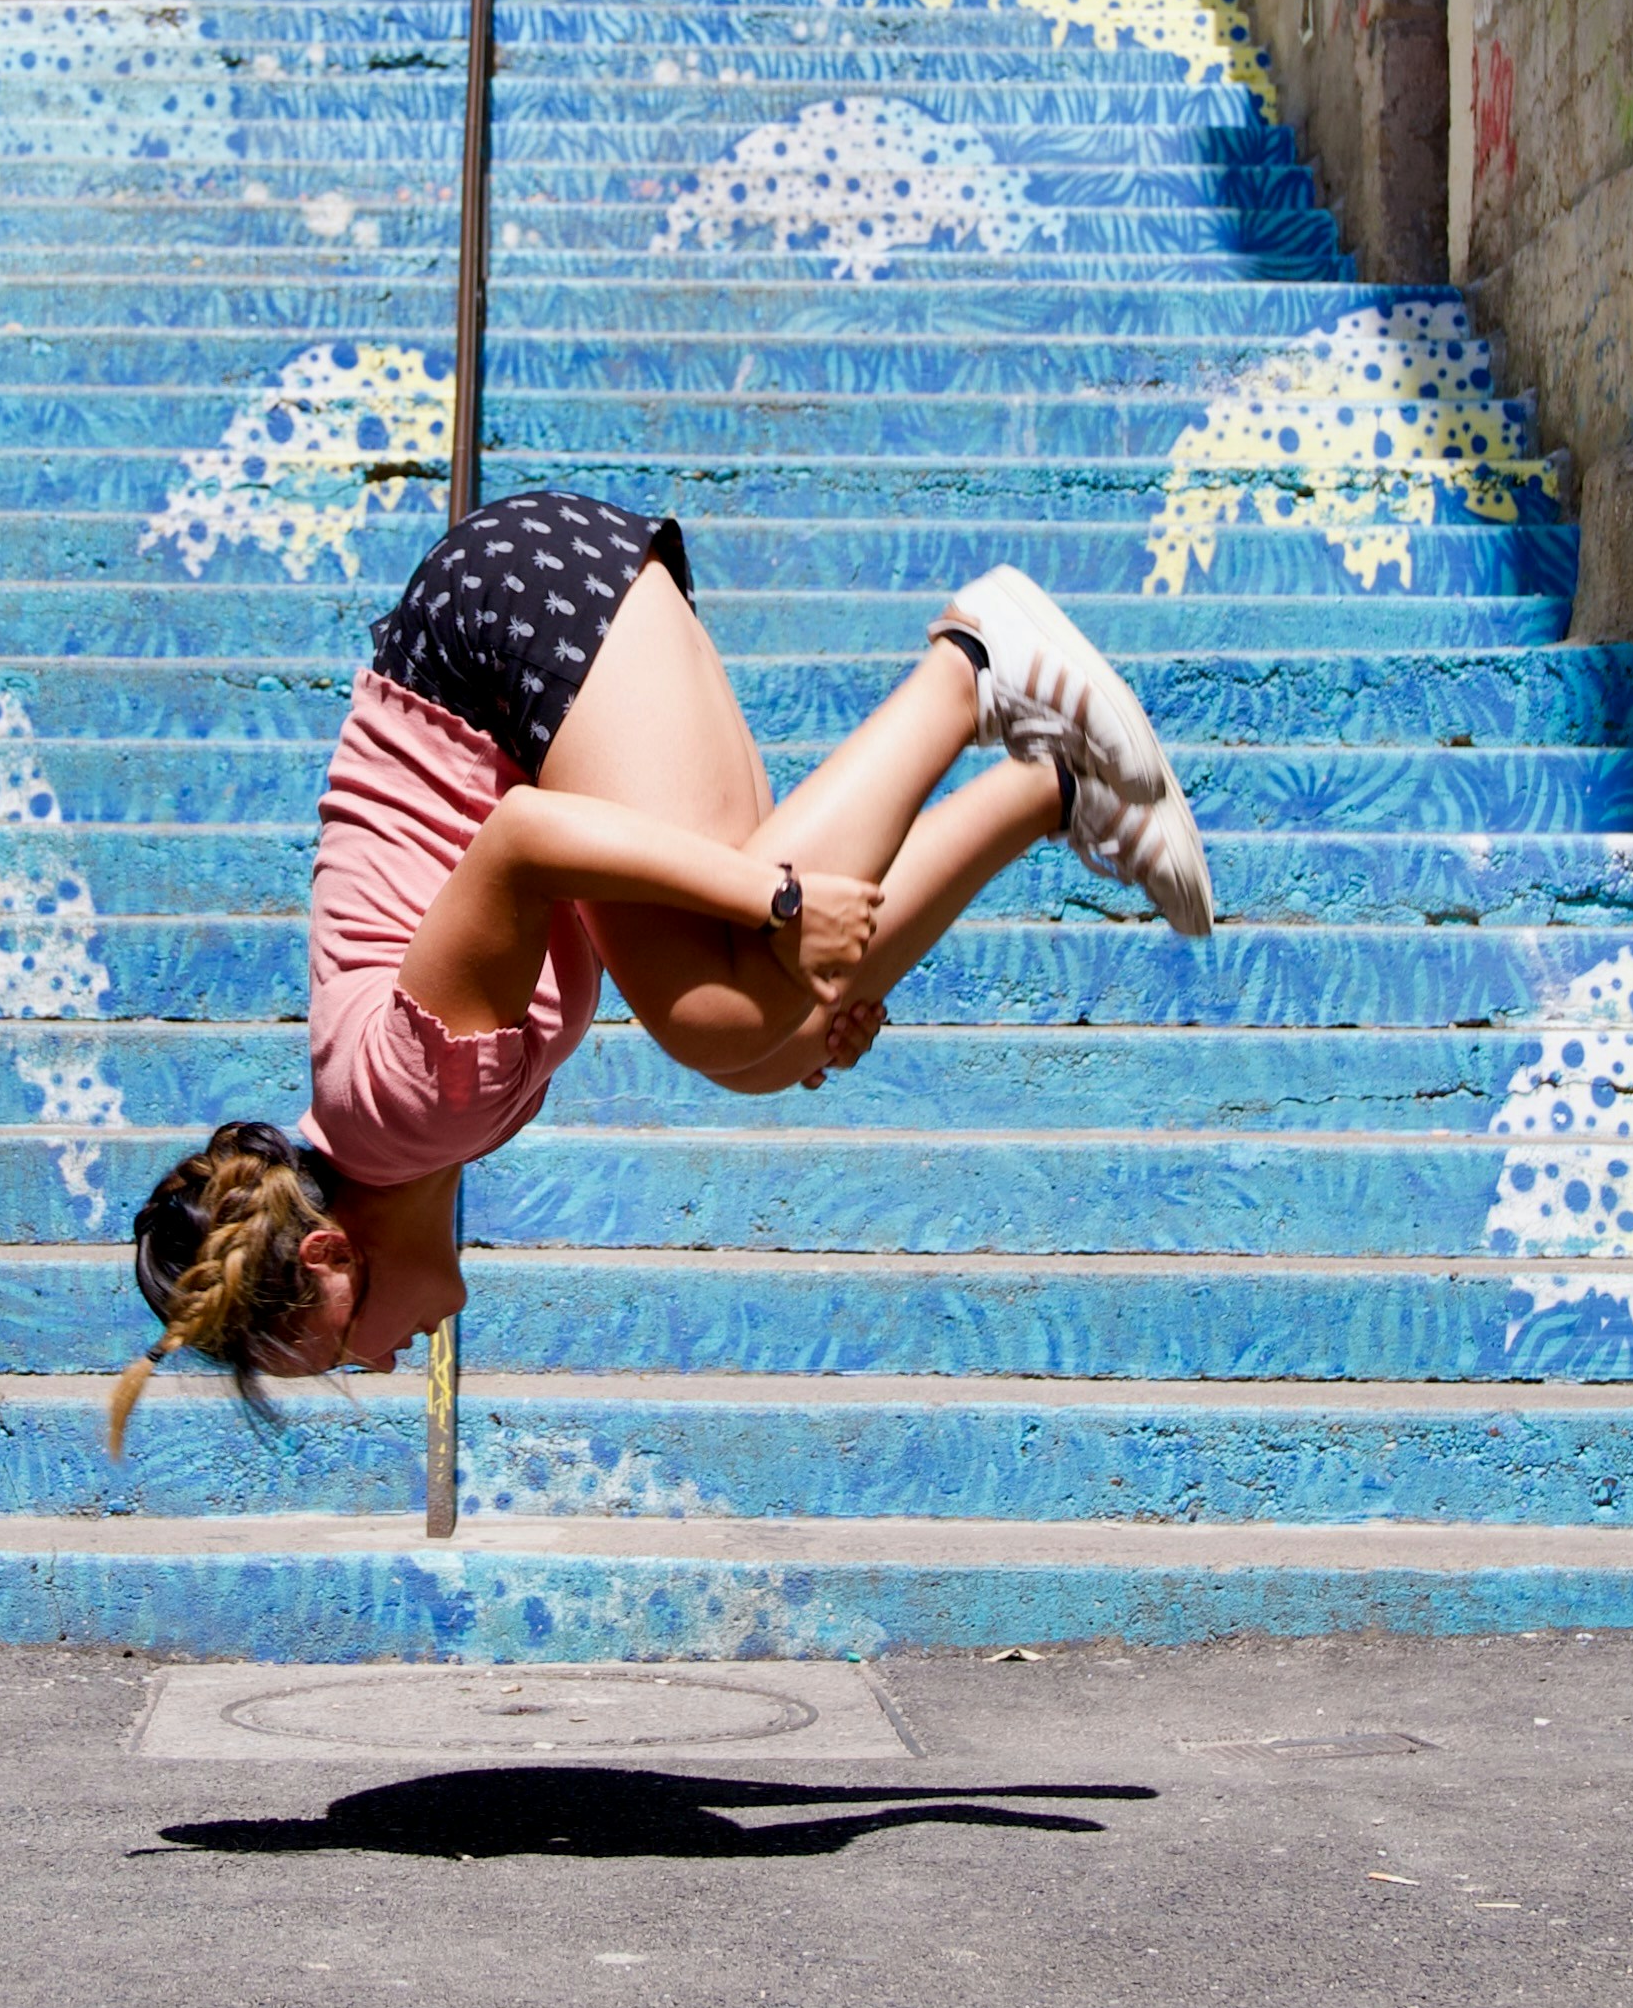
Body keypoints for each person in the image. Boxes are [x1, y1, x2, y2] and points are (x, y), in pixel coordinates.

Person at [103, 491, 1207, 1442]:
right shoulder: (424, 1134)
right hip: (523, 663)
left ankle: (971, 667)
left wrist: (777, 905)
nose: (383, 1362)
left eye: (345, 1348)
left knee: (717, 1011)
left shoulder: (401, 1107)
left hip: (508, 623)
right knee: (760, 1046)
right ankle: (1051, 789)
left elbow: (522, 839)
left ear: (331, 1257)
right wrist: (800, 995)